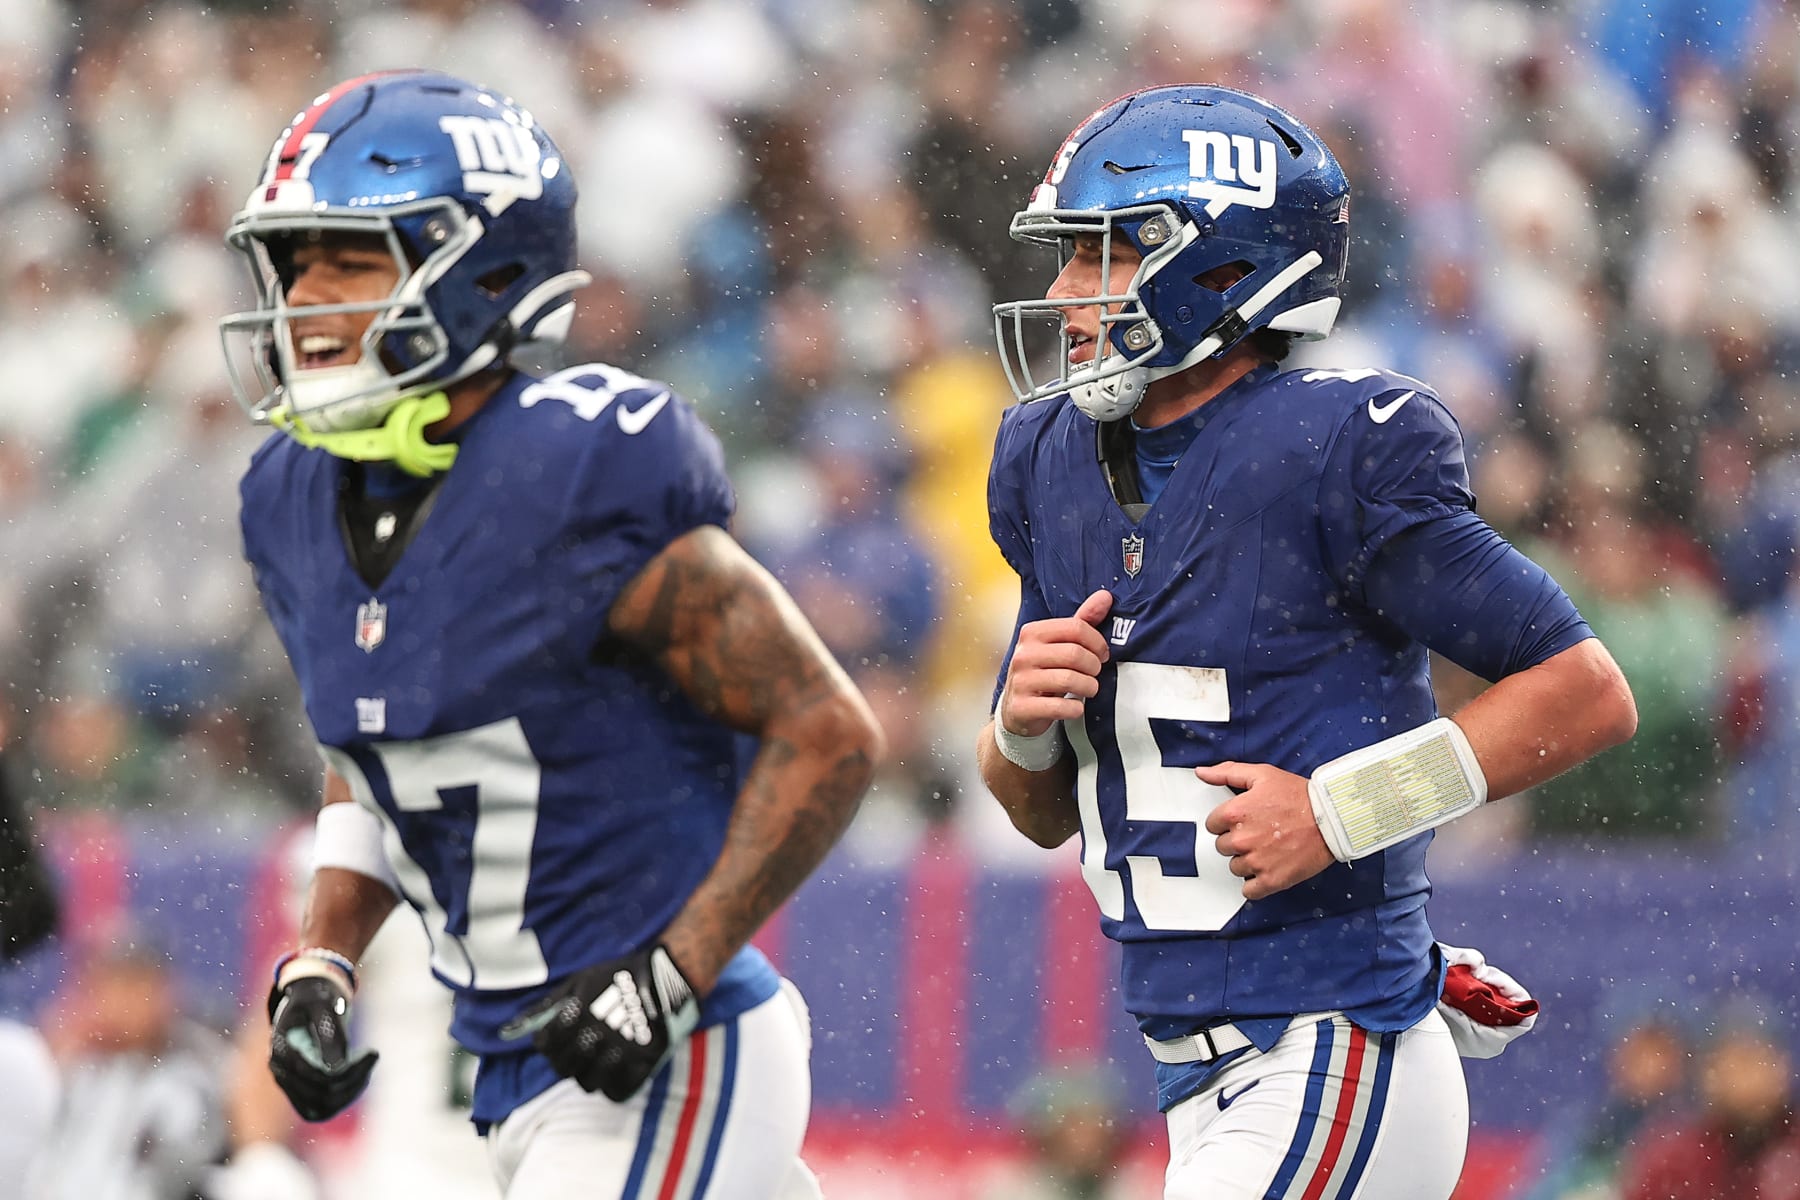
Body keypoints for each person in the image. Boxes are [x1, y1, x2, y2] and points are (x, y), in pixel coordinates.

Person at [217, 70, 883, 1198]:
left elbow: (828, 732)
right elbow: (375, 746)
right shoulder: (294, 495)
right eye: (294, 265)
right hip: (513, 1073)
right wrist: (324, 956)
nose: (305, 300)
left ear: (482, 270)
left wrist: (669, 974)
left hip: (672, 1059)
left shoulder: (576, 472)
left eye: (350, 262)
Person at [978, 84, 1638, 1199]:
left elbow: (1584, 691)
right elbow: (1042, 811)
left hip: (1335, 1040)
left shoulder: (1333, 446)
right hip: (1193, 1072)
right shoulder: (1049, 460)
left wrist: (1341, 812)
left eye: (1098, 254)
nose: (1062, 293)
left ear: (1215, 265)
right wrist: (1018, 731)